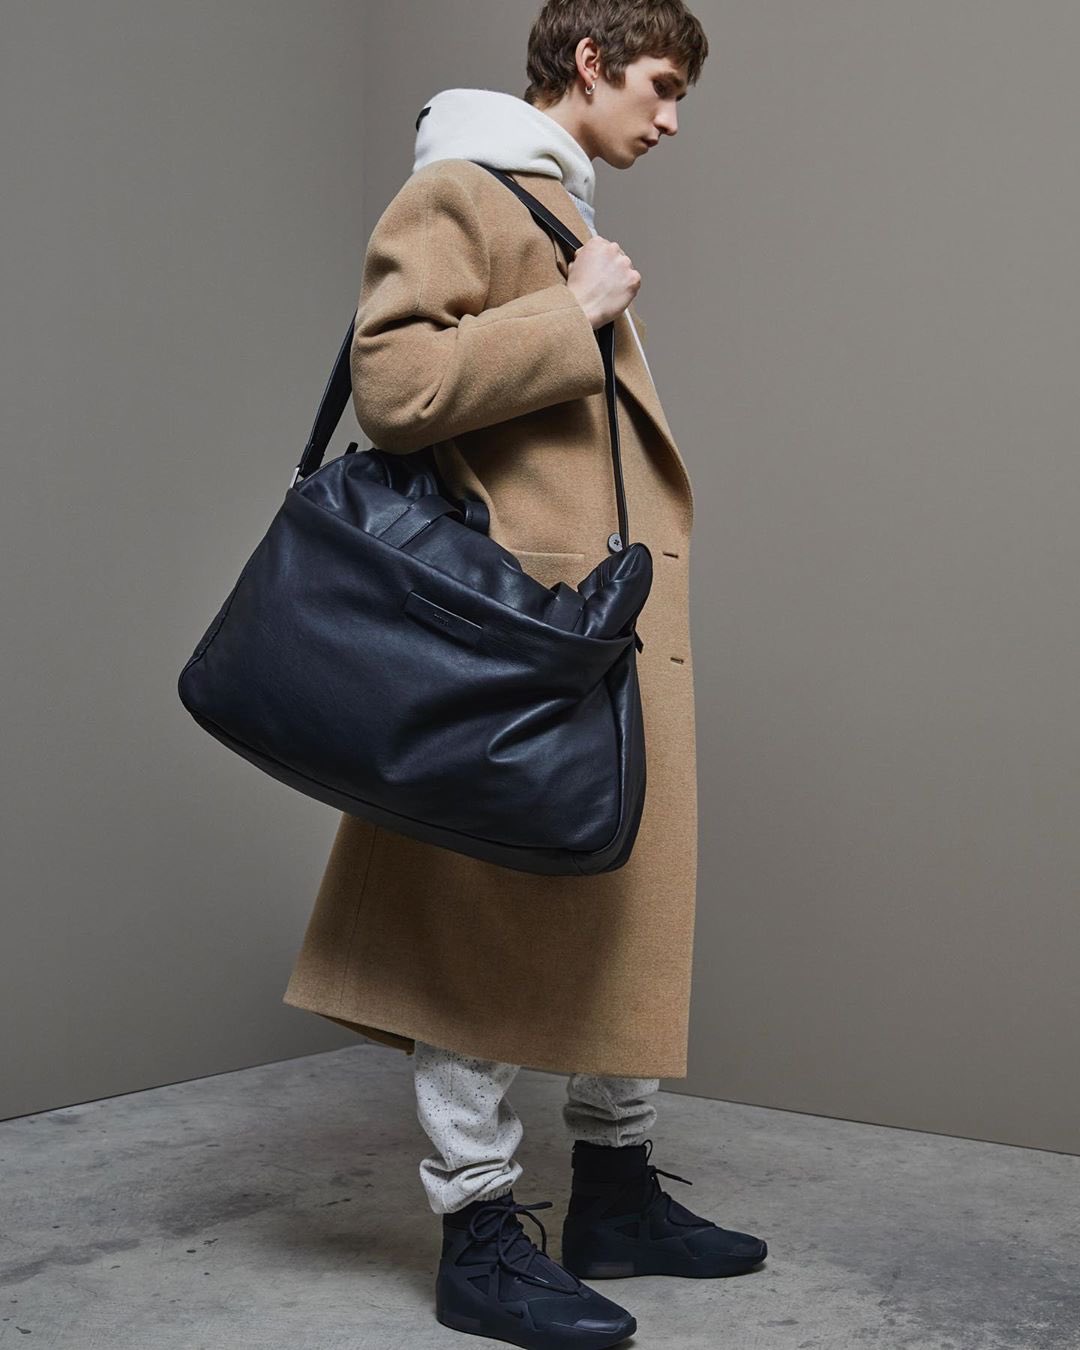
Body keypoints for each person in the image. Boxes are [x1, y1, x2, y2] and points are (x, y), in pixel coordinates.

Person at [283, 4, 767, 1345]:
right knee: (481, 923)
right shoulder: (462, 188)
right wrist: (572, 312)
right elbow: (393, 385)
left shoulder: (553, 198)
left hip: (590, 624)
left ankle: (615, 1188)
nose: (671, 120)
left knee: (618, 897)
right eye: (659, 87)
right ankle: (479, 1233)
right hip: (515, 636)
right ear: (590, 64)